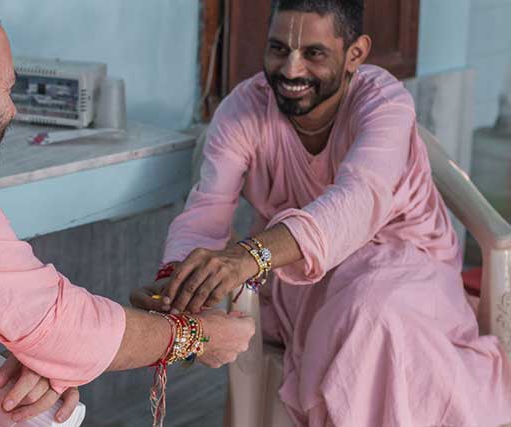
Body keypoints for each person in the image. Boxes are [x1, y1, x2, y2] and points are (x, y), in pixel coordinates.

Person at [0, 1, 255, 426]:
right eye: (7, 89)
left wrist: (49, 355)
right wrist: (199, 336)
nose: (13, 110)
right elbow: (64, 326)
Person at [131, 0, 511, 425]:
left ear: (355, 54)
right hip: (303, 279)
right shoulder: (244, 109)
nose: (291, 70)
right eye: (278, 49)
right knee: (356, 313)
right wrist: (176, 282)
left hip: (410, 267)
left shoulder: (384, 103)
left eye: (313, 53)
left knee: (373, 311)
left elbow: (357, 201)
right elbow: (207, 211)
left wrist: (249, 255)